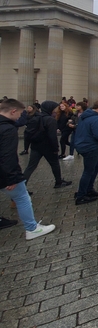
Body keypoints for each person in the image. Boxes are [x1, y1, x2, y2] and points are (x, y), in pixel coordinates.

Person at [0, 99, 55, 239]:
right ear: (13, 111)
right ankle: (32, 228)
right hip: (6, 173)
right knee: (22, 198)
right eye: (19, 113)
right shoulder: (8, 129)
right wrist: (11, 177)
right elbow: (8, 155)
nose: (20, 117)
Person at [22, 100, 71, 189]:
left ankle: (22, 187)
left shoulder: (35, 117)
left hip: (36, 146)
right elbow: (52, 136)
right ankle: (58, 182)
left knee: (30, 167)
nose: (56, 110)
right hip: (48, 146)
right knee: (55, 164)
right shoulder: (50, 120)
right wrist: (55, 148)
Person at [73, 99, 98, 205]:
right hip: (90, 147)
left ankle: (89, 189)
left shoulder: (84, 116)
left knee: (97, 166)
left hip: (82, 144)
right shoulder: (97, 118)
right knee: (88, 171)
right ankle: (81, 195)